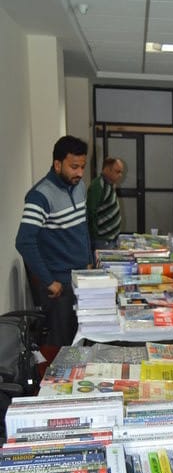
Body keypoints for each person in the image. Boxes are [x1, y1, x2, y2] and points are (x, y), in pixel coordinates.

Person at [15, 135, 92, 347]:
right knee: (61, 346)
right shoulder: (40, 196)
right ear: (57, 164)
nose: (80, 173)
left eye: (83, 166)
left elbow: (83, 226)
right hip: (59, 286)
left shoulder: (79, 186)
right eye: (74, 167)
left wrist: (87, 260)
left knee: (79, 341)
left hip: (81, 279)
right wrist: (49, 281)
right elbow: (24, 241)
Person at [86, 156, 124, 250]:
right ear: (107, 169)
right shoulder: (98, 185)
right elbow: (91, 211)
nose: (120, 175)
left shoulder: (110, 184)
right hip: (102, 240)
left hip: (112, 237)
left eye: (121, 172)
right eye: (117, 172)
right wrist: (95, 235)